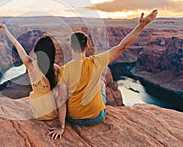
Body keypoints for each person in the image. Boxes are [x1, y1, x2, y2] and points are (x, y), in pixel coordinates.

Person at [48, 9, 158, 139]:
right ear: (87, 47)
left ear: (70, 46)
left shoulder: (63, 70)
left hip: (74, 118)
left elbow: (61, 100)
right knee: (101, 83)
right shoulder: (96, 62)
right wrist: (141, 26)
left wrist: (61, 127)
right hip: (96, 117)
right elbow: (122, 46)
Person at [0, 20, 60, 120]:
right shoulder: (56, 68)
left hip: (39, 113)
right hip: (53, 113)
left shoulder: (31, 66)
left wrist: (5, 29)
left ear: (37, 51)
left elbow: (17, 45)